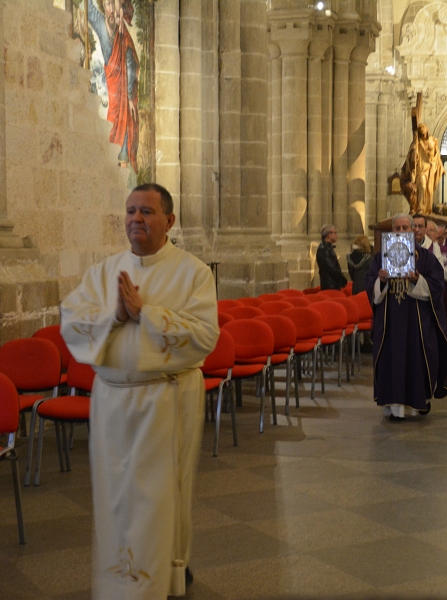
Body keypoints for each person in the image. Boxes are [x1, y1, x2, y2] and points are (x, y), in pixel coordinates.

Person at [60, 183, 220, 599]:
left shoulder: (193, 273)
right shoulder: (102, 272)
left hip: (165, 401)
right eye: (130, 211)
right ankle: (118, 580)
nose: (136, 219)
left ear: (169, 220)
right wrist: (113, 316)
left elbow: (205, 336)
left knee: (158, 499)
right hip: (112, 401)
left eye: (147, 212)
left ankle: (162, 578)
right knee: (115, 498)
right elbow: (72, 323)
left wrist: (147, 314)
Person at [365, 213, 447, 420]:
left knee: (416, 360)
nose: (400, 232)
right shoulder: (380, 258)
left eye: (405, 228)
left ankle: (417, 402)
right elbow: (370, 287)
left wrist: (418, 280)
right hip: (390, 323)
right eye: (396, 228)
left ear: (413, 231)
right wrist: (381, 281)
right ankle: (392, 406)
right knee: (391, 361)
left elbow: (437, 285)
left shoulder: (426, 258)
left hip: (416, 324)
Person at [88, 0, 139, 172]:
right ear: (103, 6)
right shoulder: (102, 26)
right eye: (108, 4)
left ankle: (123, 164)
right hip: (111, 88)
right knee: (110, 123)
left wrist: (131, 97)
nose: (111, 10)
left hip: (122, 91)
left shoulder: (124, 36)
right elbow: (88, 8)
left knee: (125, 120)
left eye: (115, 5)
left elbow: (131, 65)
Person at [400, 123, 445, 214]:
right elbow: (410, 156)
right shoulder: (417, 143)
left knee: (429, 190)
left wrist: (441, 167)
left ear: (426, 129)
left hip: (430, 169)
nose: (422, 130)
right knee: (422, 186)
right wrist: (414, 151)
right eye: (420, 129)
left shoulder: (433, 141)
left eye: (423, 128)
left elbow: (437, 156)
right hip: (421, 169)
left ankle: (427, 209)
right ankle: (420, 208)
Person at [316, 225, 347, 290]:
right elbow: (331, 268)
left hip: (333, 284)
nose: (337, 235)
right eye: (335, 233)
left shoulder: (327, 248)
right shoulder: (324, 250)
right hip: (330, 286)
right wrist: (343, 280)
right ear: (329, 235)